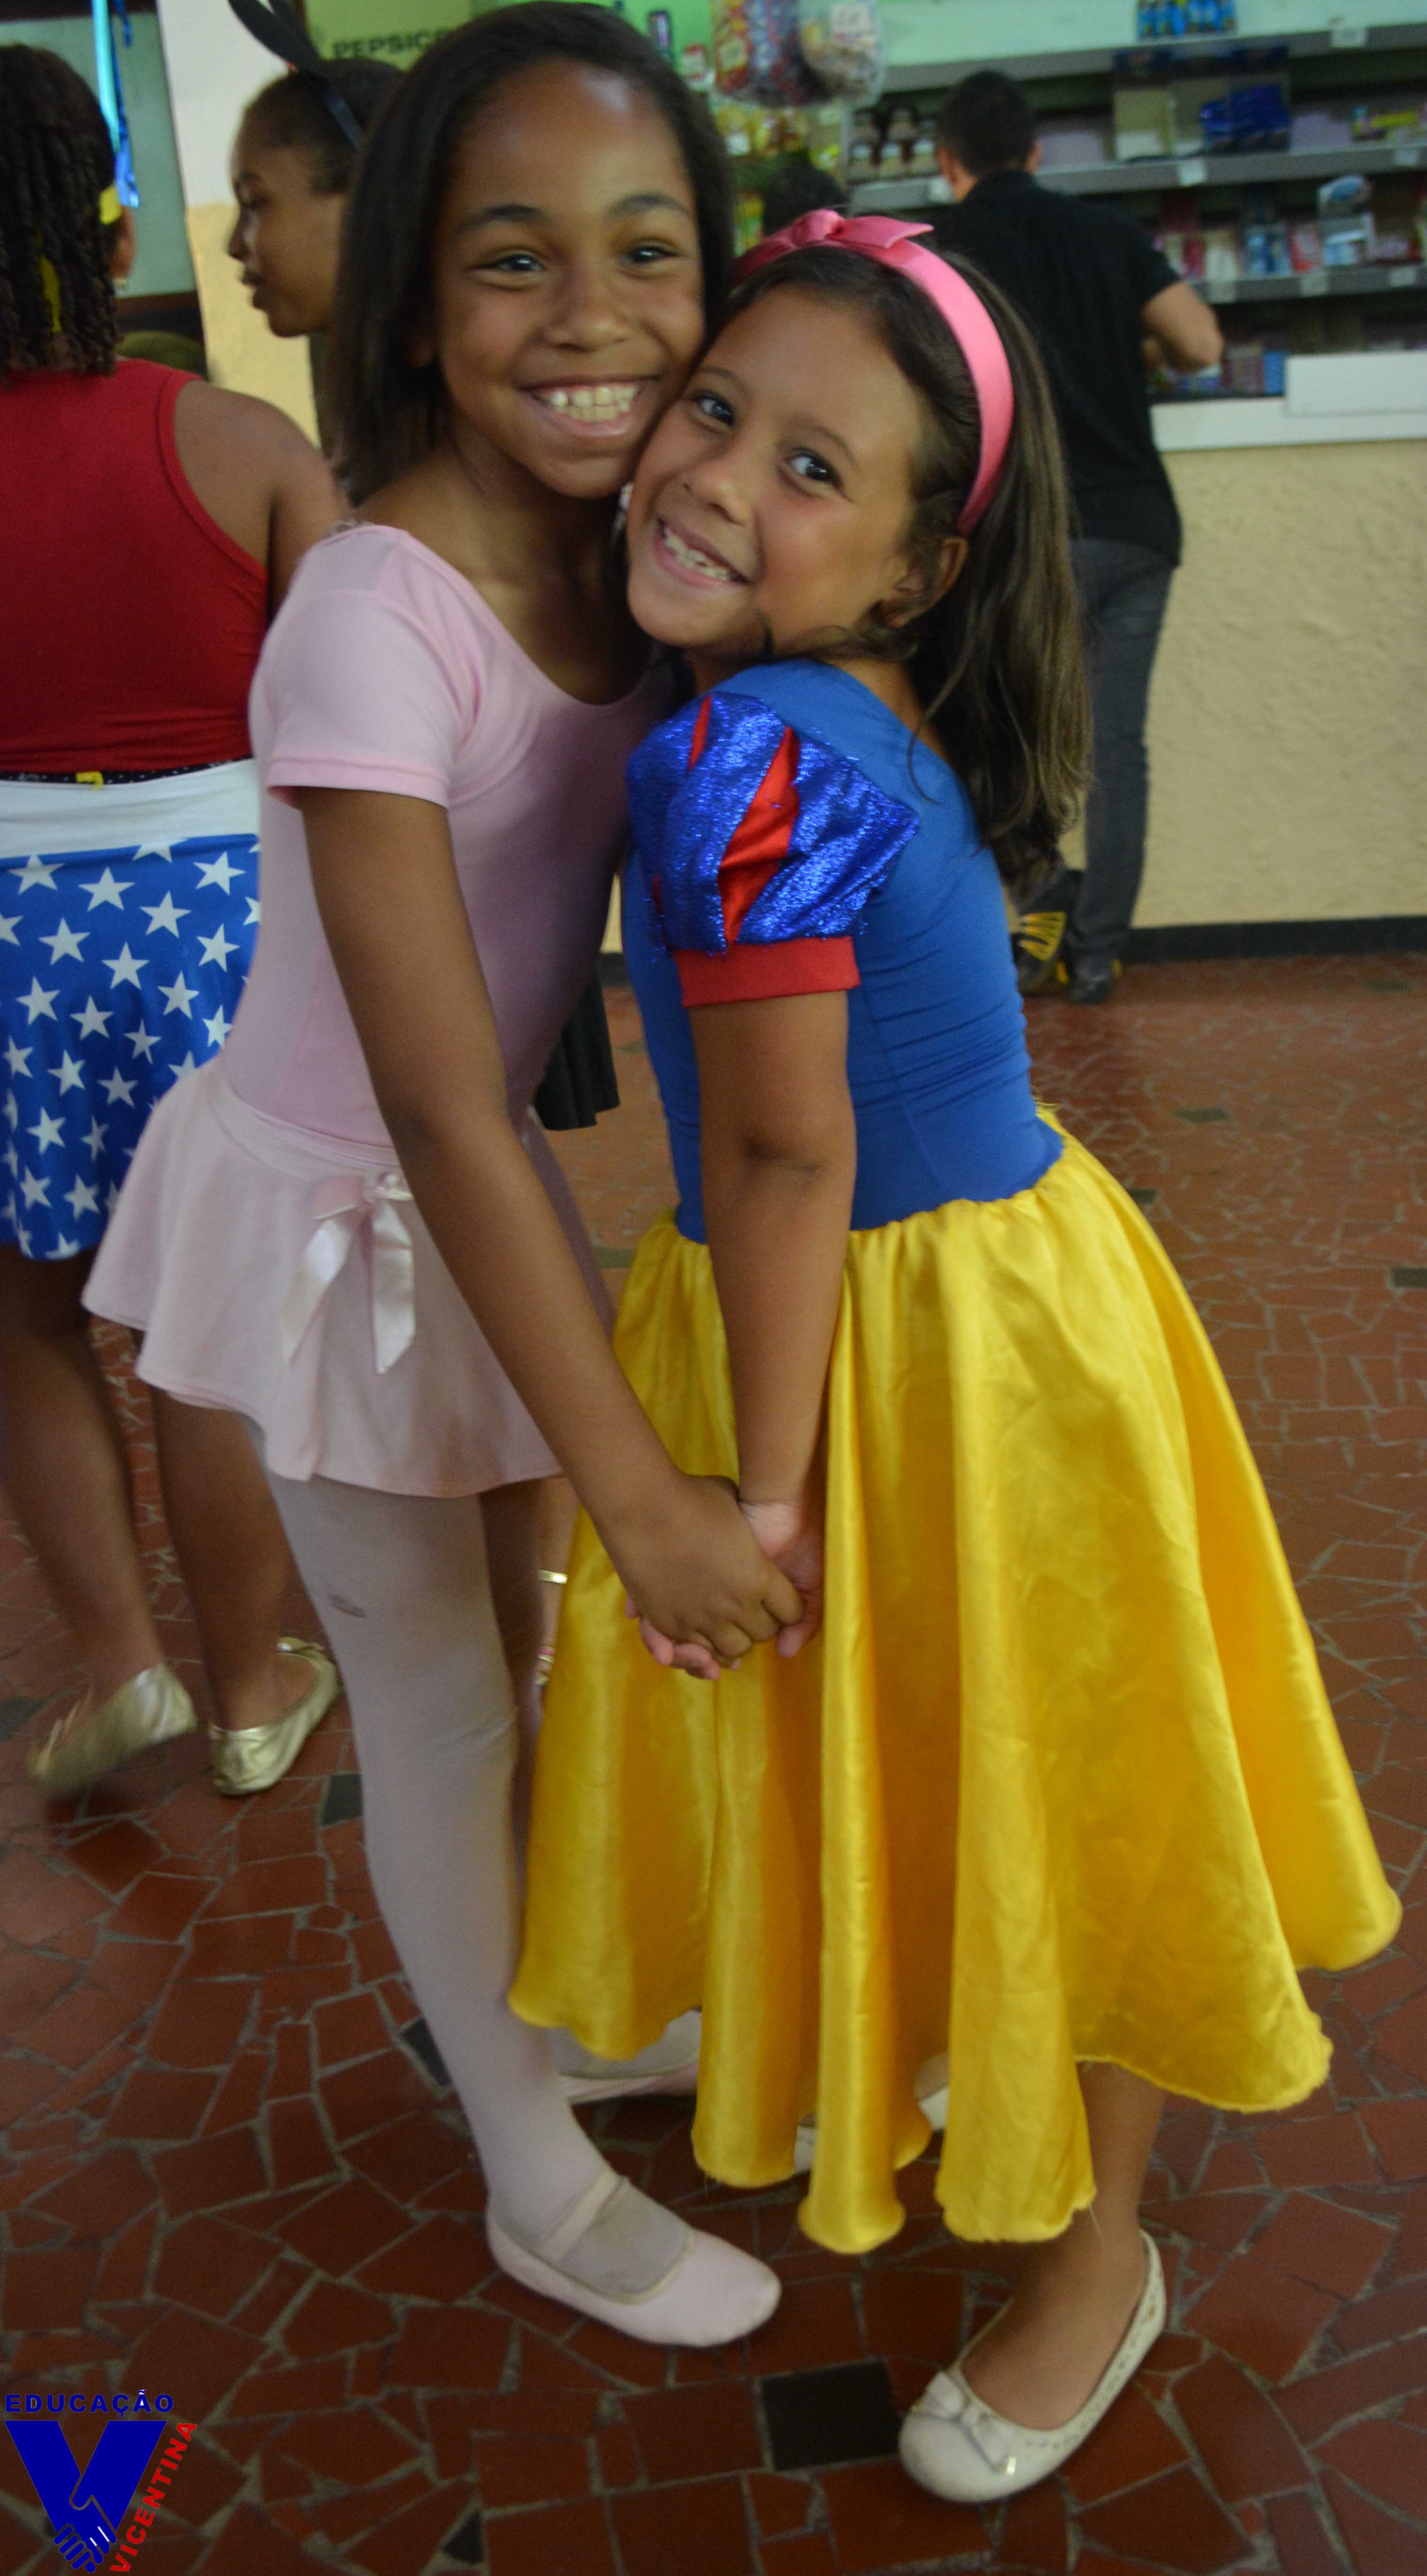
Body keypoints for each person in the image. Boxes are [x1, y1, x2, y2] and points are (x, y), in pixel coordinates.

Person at [511, 209, 1398, 2493]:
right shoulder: (793, 713)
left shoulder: (746, 762)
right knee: (989, 1741)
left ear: (914, 573)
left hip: (907, 1348)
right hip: (979, 1301)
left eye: (812, 469)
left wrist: (756, 1488)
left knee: (1054, 1775)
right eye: (717, 411)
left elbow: (783, 1150)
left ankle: (1099, 2250)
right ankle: (920, 2035)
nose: (722, 477)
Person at [89, 5, 800, 2346]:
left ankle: (555, 2024)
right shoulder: (371, 614)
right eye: (514, 258)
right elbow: (429, 1102)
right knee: (434, 1692)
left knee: (510, 1648)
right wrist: (638, 1486)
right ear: (412, 307)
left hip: (463, 1199)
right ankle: (528, 2169)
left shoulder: (629, 566)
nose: (590, 316)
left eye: (646, 251)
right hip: (344, 1217)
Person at [0, 44, 341, 1799]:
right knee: (203, 1321)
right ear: (113, 225)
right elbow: (359, 715)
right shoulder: (243, 443)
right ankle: (256, 1687)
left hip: (6, 931)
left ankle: (120, 1671)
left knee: (26, 1317)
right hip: (219, 915)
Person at [230, 45, 621, 1144]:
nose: (237, 241)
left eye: (260, 200)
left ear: (368, 209)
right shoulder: (372, 531)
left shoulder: (478, 467)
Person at [931, 69, 1224, 1002]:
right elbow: (1201, 345)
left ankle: (1041, 892)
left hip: (1024, 540)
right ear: (1035, 151)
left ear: (947, 161)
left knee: (978, 726)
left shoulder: (943, 253)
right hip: (1135, 528)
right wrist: (1133, 348)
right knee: (1115, 749)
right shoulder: (1106, 233)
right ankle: (1099, 951)